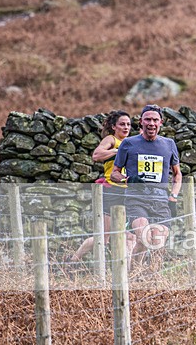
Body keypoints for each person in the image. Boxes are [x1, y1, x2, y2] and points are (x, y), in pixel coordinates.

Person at [111, 104, 181, 267]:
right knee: (143, 237)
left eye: (155, 120)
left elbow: (177, 174)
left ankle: (152, 281)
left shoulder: (169, 144)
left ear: (161, 123)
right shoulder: (128, 143)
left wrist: (174, 197)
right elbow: (114, 173)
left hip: (161, 201)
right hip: (136, 199)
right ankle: (134, 275)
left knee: (157, 243)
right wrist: (127, 180)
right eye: (147, 119)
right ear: (141, 122)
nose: (151, 123)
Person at [70, 110, 135, 262]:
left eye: (128, 124)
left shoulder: (132, 142)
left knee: (130, 236)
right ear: (114, 126)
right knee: (104, 237)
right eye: (122, 124)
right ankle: (72, 261)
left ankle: (128, 271)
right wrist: (118, 152)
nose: (126, 127)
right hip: (112, 191)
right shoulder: (111, 139)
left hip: (129, 192)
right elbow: (96, 155)